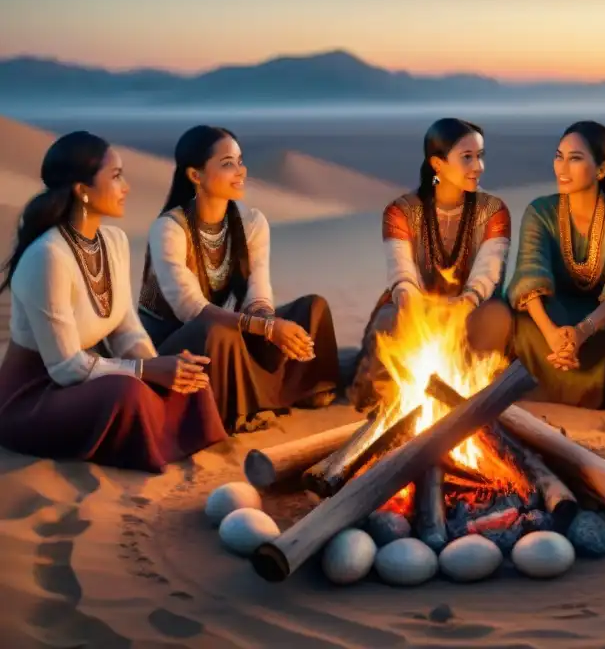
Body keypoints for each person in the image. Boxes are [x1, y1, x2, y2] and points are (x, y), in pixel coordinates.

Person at [0, 131, 227, 472]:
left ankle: (167, 436)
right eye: (116, 176)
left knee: (187, 379)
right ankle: (153, 443)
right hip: (33, 399)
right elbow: (65, 369)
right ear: (83, 191)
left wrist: (161, 371)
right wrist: (146, 372)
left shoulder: (113, 241)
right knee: (127, 392)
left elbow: (125, 330)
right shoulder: (48, 256)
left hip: (87, 378)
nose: (127, 188)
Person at [138, 125, 339, 433]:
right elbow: (190, 309)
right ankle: (241, 409)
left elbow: (258, 289)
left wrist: (268, 322)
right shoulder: (169, 228)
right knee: (221, 331)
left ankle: (298, 390)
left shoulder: (252, 222)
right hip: (175, 347)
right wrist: (268, 328)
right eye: (227, 163)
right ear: (195, 175)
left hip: (229, 331)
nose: (241, 171)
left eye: (240, 161)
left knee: (312, 308)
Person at [345, 118, 513, 411]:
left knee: (498, 320)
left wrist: (465, 304)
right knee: (390, 323)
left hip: (473, 311)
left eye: (480, 156)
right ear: (437, 164)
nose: (478, 166)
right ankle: (394, 405)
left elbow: (489, 273)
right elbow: (402, 273)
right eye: (467, 158)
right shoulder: (402, 211)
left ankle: (469, 400)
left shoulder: (493, 211)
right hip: (415, 308)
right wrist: (417, 308)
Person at [504, 121, 605, 409]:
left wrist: (582, 332)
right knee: (507, 324)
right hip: (550, 321)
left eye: (575, 159)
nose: (562, 168)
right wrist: (553, 334)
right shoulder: (539, 212)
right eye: (558, 156)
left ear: (602, 170)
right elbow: (530, 273)